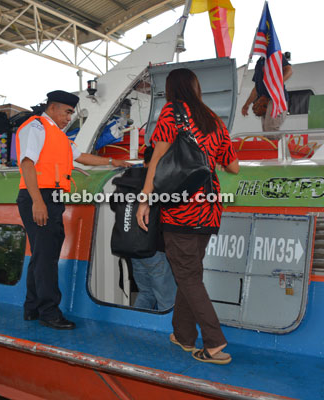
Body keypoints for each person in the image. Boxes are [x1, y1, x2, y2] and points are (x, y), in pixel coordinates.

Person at [136, 69, 239, 364]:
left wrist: (145, 199)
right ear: (196, 87)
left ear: (171, 90)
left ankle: (214, 342)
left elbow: (156, 159)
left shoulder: (172, 112)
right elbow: (233, 167)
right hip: (209, 208)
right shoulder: (213, 119)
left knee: (188, 275)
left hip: (180, 208)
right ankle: (183, 335)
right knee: (190, 273)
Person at [17, 90, 130, 330]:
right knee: (46, 257)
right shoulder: (36, 127)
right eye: (67, 112)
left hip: (53, 197)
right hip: (40, 196)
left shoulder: (58, 136)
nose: (69, 118)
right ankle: (49, 312)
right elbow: (27, 163)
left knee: (41, 254)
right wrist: (38, 201)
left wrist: (113, 162)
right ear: (54, 107)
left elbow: (82, 157)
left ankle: (32, 307)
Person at [131, 146, 177, 311]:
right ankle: (169, 333)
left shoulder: (130, 182)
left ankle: (136, 328)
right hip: (156, 250)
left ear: (144, 164)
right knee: (167, 301)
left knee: (146, 293)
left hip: (134, 250)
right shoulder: (163, 184)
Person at [241, 54, 293, 135]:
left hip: (276, 99)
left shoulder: (275, 55)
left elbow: (289, 70)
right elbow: (256, 88)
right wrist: (246, 104)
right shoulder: (259, 62)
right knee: (266, 130)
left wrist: (278, 83)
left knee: (270, 128)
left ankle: (282, 147)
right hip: (264, 101)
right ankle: (275, 146)